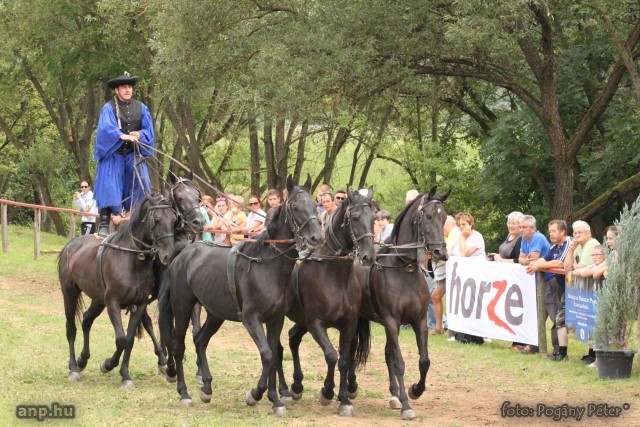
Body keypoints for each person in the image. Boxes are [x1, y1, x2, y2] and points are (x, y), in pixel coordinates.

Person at [93, 72, 155, 238]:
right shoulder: (108, 108)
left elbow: (149, 131)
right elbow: (105, 129)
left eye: (129, 87)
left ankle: (138, 219)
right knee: (109, 181)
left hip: (132, 154)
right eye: (124, 87)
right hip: (115, 153)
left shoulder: (141, 108)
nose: (127, 90)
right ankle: (104, 223)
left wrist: (140, 134)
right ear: (116, 90)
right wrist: (121, 135)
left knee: (143, 181)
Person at [526, 219, 572, 360]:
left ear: (563, 232)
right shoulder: (554, 246)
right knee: (559, 318)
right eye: (550, 231)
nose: (550, 234)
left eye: (554, 231)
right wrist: (534, 264)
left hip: (573, 288)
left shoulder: (568, 243)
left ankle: (590, 354)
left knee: (560, 318)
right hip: (562, 287)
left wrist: (537, 267)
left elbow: (560, 263)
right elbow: (544, 259)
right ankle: (560, 353)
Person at [489, 211, 524, 349]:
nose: (510, 225)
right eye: (509, 222)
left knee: (516, 309)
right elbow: (504, 252)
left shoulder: (521, 239)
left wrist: (502, 260)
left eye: (514, 223)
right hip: (505, 278)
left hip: (517, 279)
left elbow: (519, 260)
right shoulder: (509, 235)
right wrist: (495, 256)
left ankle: (520, 342)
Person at [449, 212, 486, 344]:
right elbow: (452, 252)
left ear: (471, 223)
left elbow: (464, 254)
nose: (461, 227)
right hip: (462, 276)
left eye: (464, 224)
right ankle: (461, 334)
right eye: (459, 225)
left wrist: (462, 238)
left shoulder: (476, 237)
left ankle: (475, 336)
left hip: (475, 275)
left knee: (472, 304)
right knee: (463, 304)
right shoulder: (459, 236)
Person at [516, 215, 550, 354]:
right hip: (533, 280)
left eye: (524, 227)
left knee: (540, 313)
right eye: (520, 227)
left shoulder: (537, 238)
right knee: (534, 313)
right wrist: (525, 260)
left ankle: (540, 346)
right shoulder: (524, 239)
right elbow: (522, 259)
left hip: (545, 279)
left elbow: (533, 259)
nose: (521, 230)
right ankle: (535, 345)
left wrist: (525, 260)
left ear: (533, 228)